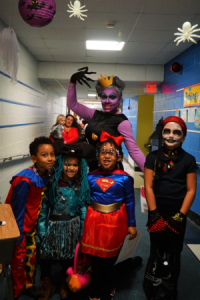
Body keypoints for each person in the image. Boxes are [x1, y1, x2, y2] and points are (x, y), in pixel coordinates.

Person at [143, 116, 197, 300]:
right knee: (156, 249)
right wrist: (154, 213)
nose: (171, 135)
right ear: (162, 133)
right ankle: (152, 285)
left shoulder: (189, 160)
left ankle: (170, 288)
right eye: (167, 131)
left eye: (176, 132)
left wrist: (181, 215)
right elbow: (148, 186)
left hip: (177, 216)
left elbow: (191, 190)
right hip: (157, 213)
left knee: (174, 252)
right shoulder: (152, 158)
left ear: (183, 137)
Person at [81, 131, 137, 300]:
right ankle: (96, 286)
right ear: (98, 156)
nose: (107, 156)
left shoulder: (125, 179)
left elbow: (129, 201)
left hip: (115, 222)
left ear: (119, 157)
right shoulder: (90, 177)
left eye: (111, 153)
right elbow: (84, 200)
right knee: (96, 258)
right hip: (94, 221)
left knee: (111, 257)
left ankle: (109, 285)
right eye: (103, 152)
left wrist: (132, 224)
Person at [36, 143, 96, 300]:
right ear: (60, 164)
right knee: (45, 255)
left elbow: (83, 210)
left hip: (72, 226)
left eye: (75, 165)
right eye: (67, 164)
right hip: (53, 226)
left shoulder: (80, 186)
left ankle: (64, 281)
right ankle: (47, 281)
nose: (71, 168)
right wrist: (42, 228)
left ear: (80, 166)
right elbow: (44, 208)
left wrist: (83, 232)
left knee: (69, 256)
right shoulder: (51, 185)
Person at [5, 137, 56, 299]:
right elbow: (17, 210)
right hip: (20, 228)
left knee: (31, 256)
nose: (50, 158)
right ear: (34, 158)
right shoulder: (25, 180)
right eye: (44, 155)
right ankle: (19, 289)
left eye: (52, 154)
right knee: (19, 260)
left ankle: (28, 284)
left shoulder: (43, 174)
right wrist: (18, 236)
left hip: (31, 226)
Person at [67, 67, 145, 171]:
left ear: (119, 100)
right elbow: (72, 105)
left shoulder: (122, 122)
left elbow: (134, 151)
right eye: (104, 97)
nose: (107, 101)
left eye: (112, 97)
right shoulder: (94, 114)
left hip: (110, 172)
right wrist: (72, 82)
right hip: (92, 169)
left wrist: (150, 175)